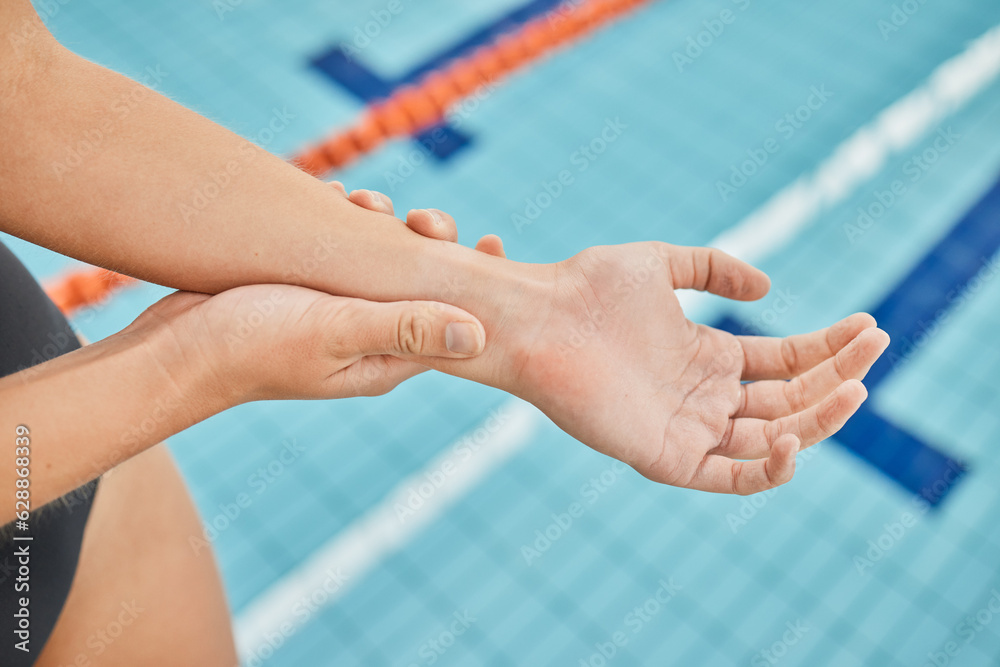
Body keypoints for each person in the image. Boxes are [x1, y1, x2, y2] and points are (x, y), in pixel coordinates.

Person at [0, 1, 890, 663]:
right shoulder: (171, 369)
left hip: (75, 456)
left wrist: (523, 310)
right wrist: (190, 363)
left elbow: (20, 93)